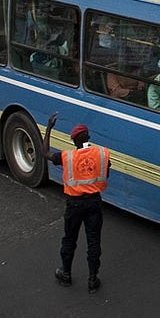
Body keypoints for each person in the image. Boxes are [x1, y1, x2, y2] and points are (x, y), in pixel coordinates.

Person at [50, 120, 110, 292]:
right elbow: (106, 174)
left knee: (69, 239)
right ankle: (92, 280)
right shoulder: (102, 153)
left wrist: (48, 128)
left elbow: (44, 153)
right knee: (93, 241)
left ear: (73, 141)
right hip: (94, 203)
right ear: (88, 137)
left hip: (74, 205)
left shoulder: (67, 157)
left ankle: (66, 274)